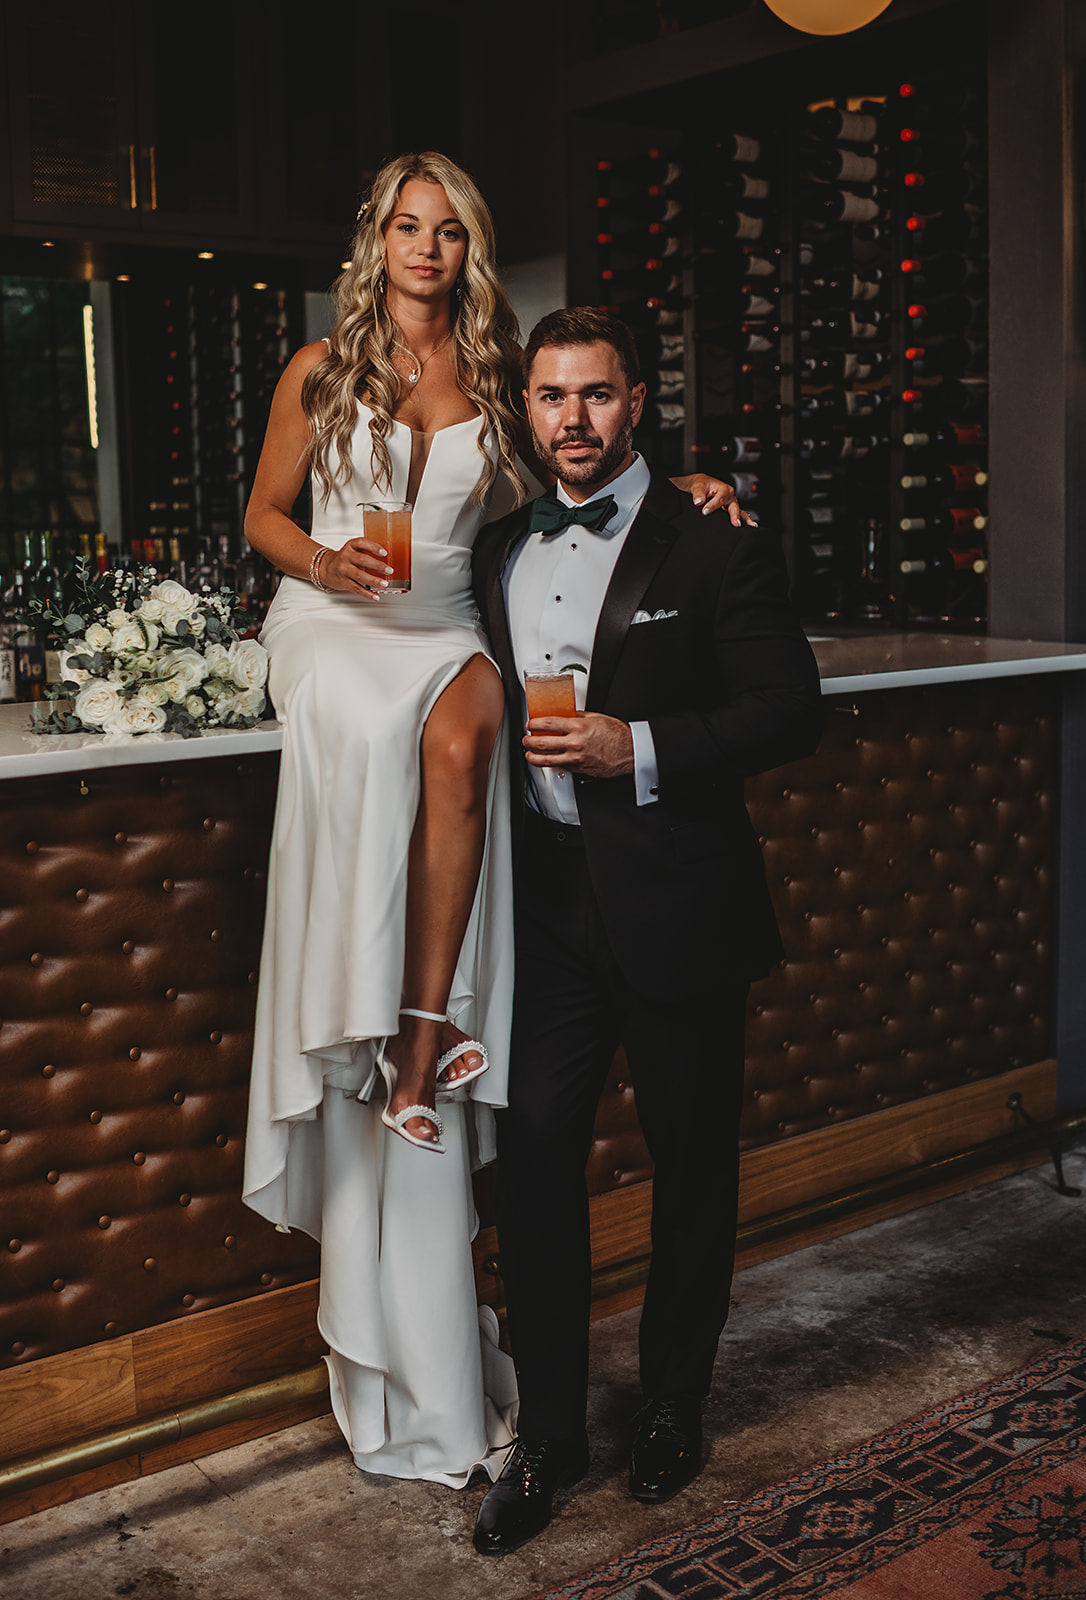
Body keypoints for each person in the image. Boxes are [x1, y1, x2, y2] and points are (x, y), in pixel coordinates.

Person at [240, 154, 742, 1486]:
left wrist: (685, 489)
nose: (424, 246)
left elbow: (591, 457)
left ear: (467, 246)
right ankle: (379, 1032)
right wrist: (319, 562)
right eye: (405, 226)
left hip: (446, 618)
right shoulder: (315, 367)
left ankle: (421, 1037)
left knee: (466, 730)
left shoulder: (503, 372)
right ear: (378, 241)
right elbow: (263, 517)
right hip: (338, 618)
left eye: (446, 228)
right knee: (362, 722)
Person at [470, 307, 824, 1553]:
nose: (574, 419)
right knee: (534, 1172)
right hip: (547, 909)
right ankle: (552, 1435)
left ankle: (673, 1408)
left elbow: (790, 708)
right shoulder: (498, 546)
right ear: (528, 408)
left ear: (638, 403)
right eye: (552, 396)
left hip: (679, 903)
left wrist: (642, 749)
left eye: (598, 396)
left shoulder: (712, 538)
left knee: (692, 1172)